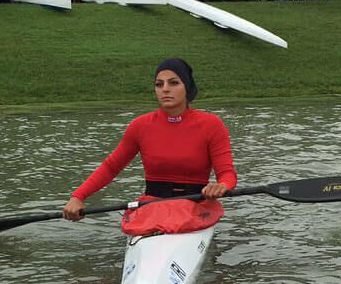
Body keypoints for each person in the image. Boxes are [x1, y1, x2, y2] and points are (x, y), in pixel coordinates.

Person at [63, 58, 236, 222]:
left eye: (173, 83)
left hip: (197, 207)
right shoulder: (140, 126)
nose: (165, 89)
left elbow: (227, 174)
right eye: (159, 84)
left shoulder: (212, 124)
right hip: (151, 207)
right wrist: (78, 196)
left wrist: (222, 186)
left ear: (187, 87)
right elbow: (111, 167)